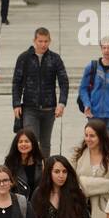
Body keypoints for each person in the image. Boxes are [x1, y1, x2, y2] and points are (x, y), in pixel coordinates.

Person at [12, 28, 68, 157]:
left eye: (46, 41)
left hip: (49, 109)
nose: (43, 44)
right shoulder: (24, 58)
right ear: (34, 41)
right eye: (40, 41)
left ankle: (44, 172)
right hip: (30, 108)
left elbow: (64, 82)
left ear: (50, 41)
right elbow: (17, 82)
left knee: (45, 144)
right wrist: (16, 104)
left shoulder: (55, 59)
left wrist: (61, 103)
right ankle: (29, 171)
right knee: (30, 142)